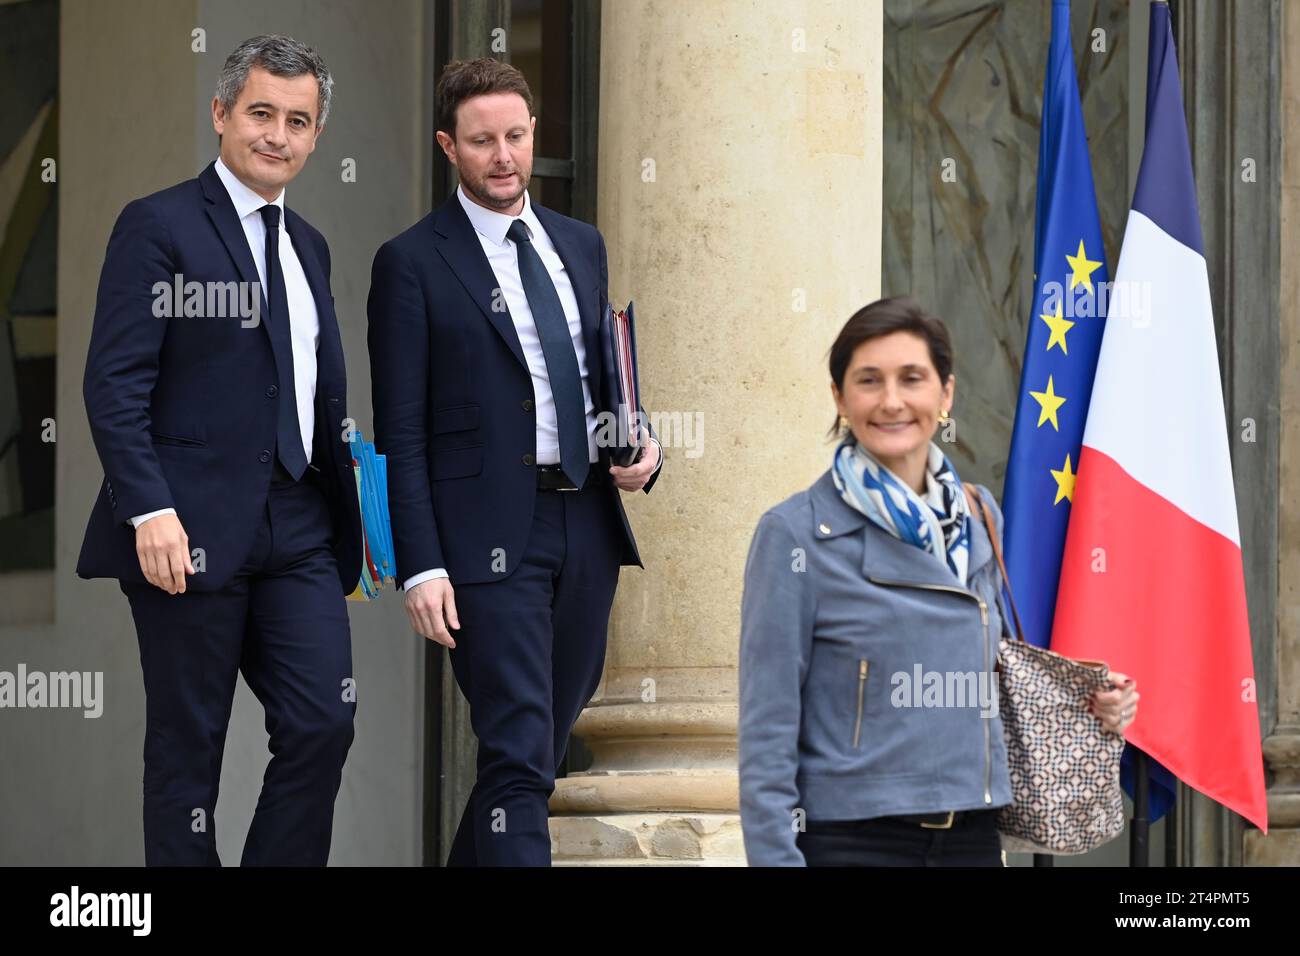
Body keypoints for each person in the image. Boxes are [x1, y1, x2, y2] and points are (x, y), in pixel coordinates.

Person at [367, 58, 663, 866]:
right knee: (518, 745)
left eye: (517, 136)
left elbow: (605, 378)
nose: (504, 156)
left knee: (529, 755)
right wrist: (419, 566)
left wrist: (640, 448)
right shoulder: (412, 263)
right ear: (447, 147)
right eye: (482, 140)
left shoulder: (580, 244)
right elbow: (402, 433)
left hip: (587, 525)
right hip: (485, 542)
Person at [77, 35, 362, 866]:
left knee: (322, 721)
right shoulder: (158, 225)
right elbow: (114, 384)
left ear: (315, 137)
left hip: (299, 524)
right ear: (222, 115)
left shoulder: (310, 245)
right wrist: (150, 507)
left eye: (298, 121)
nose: (278, 135)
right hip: (186, 527)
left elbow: (305, 386)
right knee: (188, 750)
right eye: (262, 113)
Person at [738, 297, 1138, 867]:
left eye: (912, 379)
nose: (892, 400)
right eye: (869, 380)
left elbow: (990, 675)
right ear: (839, 397)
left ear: (945, 394)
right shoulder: (795, 533)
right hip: (851, 841)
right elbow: (766, 732)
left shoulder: (980, 514)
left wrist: (1095, 703)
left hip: (972, 838)